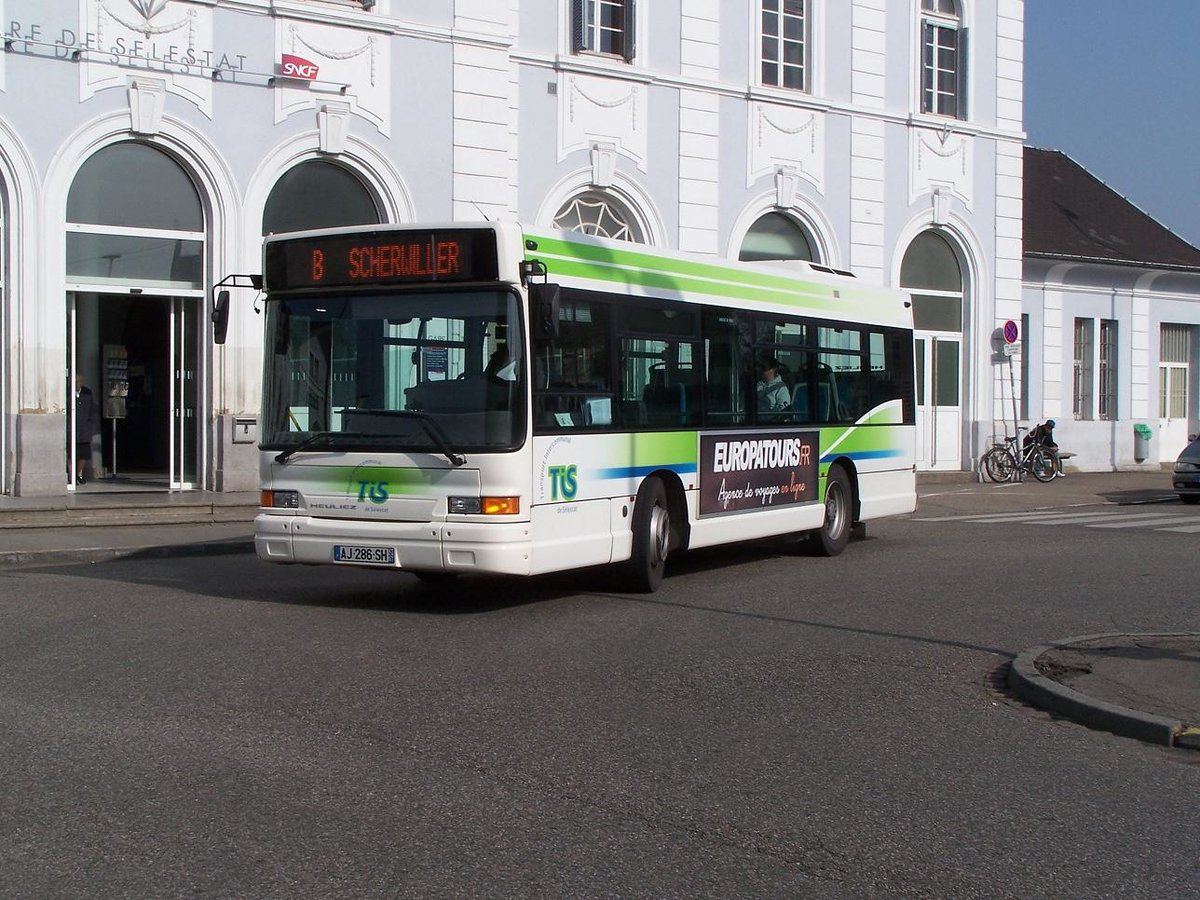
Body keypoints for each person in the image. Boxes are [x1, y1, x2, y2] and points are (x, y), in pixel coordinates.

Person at [73, 375, 95, 485]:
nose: (77, 384)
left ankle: (78, 474)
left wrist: (89, 425)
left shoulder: (87, 393)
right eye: (75, 381)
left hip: (84, 428)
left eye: (79, 381)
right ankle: (72, 476)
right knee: (71, 453)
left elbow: (91, 410)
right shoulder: (68, 392)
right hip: (72, 428)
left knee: (84, 454)